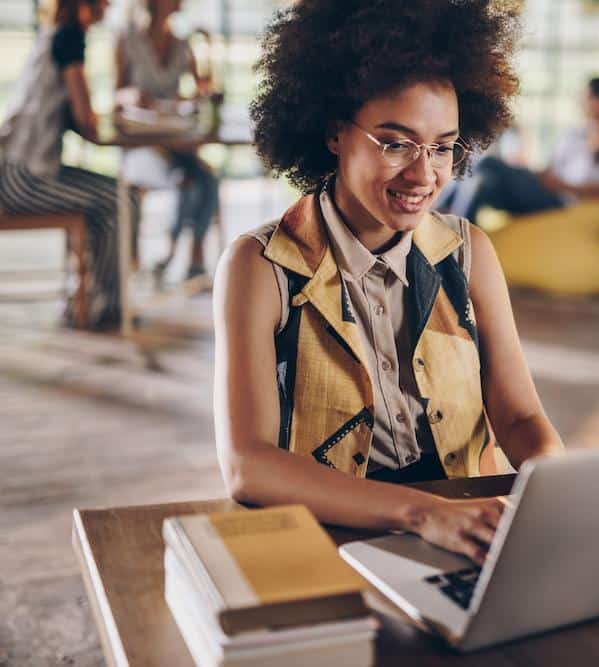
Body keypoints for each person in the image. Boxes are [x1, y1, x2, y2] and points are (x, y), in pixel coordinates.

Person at [213, 0, 565, 565]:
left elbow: (521, 420)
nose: (423, 174)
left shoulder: (469, 251)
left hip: (469, 529)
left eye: (443, 146)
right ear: (333, 133)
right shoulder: (260, 267)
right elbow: (247, 464)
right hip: (333, 533)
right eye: (396, 142)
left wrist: (561, 489)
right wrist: (422, 512)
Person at [0, 0, 138, 329]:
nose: (110, 4)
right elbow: (85, 119)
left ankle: (92, 300)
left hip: (18, 170)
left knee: (114, 199)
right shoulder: (69, 39)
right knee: (121, 199)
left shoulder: (55, 34)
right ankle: (104, 307)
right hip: (25, 179)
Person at [115, 0, 219, 280]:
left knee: (208, 180)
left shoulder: (183, 43)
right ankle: (170, 252)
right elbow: (116, 95)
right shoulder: (127, 40)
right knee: (185, 181)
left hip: (176, 144)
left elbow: (202, 89)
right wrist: (132, 96)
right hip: (141, 147)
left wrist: (196, 94)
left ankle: (194, 258)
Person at [443, 74, 599, 223]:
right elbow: (550, 171)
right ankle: (452, 234)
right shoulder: (576, 134)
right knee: (481, 182)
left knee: (487, 163)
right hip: (547, 188)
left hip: (559, 199)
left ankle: (443, 217)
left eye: (586, 96)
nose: (579, 101)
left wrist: (565, 187)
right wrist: (528, 171)